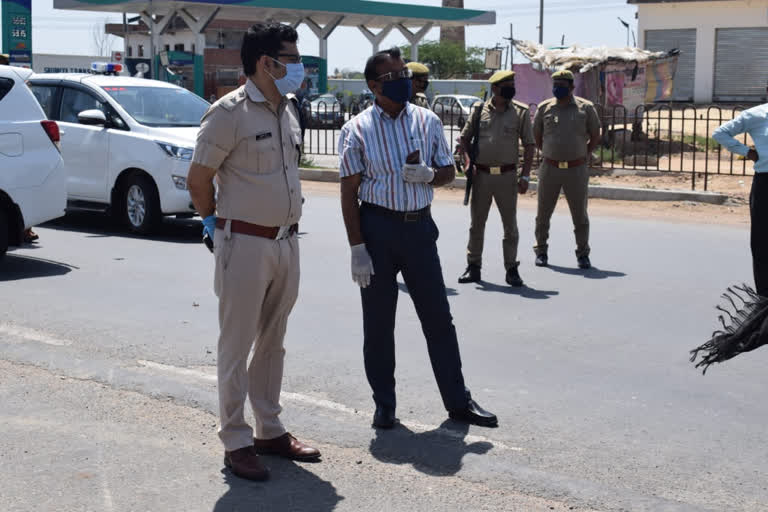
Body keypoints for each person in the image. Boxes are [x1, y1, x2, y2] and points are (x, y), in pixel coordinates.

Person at [187, 22, 320, 482]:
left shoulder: (287, 110)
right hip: (243, 242)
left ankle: (269, 429)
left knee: (273, 343)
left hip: (286, 241)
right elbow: (198, 179)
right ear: (267, 63)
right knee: (236, 345)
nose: (299, 67)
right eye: (292, 57)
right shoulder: (229, 113)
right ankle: (237, 440)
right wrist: (211, 225)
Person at [338, 47, 498, 430]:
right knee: (378, 324)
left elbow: (447, 173)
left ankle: (458, 401)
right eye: (394, 77)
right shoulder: (357, 128)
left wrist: (428, 175)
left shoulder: (427, 121)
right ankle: (385, 405)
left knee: (439, 319)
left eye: (404, 74)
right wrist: (357, 247)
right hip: (376, 229)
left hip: (418, 230)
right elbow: (348, 192)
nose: (404, 81)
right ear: (375, 86)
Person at [457, 70, 535, 287]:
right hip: (481, 176)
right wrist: (467, 162)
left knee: (510, 226)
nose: (511, 87)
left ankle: (511, 269)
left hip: (507, 176)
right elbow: (463, 139)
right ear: (495, 88)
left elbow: (529, 145)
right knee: (477, 225)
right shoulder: (479, 110)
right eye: (506, 84)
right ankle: (473, 267)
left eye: (512, 83)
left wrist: (526, 176)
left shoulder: (519, 112)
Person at [532, 69, 601, 270]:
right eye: (555, 85)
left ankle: (583, 254)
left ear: (571, 87)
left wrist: (585, 154)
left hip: (576, 169)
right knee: (543, 213)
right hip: (550, 168)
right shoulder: (545, 108)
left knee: (580, 214)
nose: (558, 89)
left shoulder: (585, 108)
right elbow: (537, 136)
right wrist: (548, 152)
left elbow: (595, 135)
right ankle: (541, 251)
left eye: (562, 85)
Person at [713, 82, 768, 296]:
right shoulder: (756, 115)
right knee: (763, 243)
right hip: (766, 184)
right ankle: (764, 302)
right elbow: (721, 133)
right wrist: (747, 151)